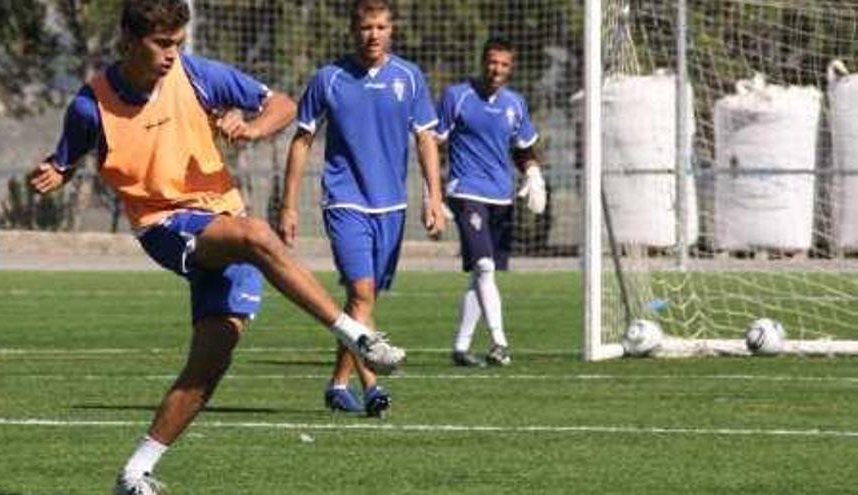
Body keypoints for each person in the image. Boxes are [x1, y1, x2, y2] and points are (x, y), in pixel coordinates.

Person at [27, 1, 404, 493]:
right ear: (129, 39)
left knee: (208, 366)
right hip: (165, 226)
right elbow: (68, 157)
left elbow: (283, 105)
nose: (171, 55)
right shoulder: (89, 104)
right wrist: (56, 172)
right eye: (162, 44)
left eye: (178, 44)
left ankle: (136, 471)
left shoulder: (196, 74)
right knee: (256, 235)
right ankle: (359, 338)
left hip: (223, 219)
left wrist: (251, 127)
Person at [278, 0, 445, 417]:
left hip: (391, 206)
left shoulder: (409, 78)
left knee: (362, 305)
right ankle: (373, 386)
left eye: (381, 26)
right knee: (361, 292)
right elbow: (302, 141)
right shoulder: (329, 79)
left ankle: (338, 384)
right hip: (344, 199)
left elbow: (426, 139)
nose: (374, 34)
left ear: (392, 30)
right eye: (366, 27)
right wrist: (289, 206)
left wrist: (434, 196)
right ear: (353, 31)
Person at [435, 37, 546, 367]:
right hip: (466, 191)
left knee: (482, 274)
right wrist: (433, 191)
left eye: (504, 64)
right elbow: (433, 142)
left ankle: (461, 347)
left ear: (510, 68)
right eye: (492, 62)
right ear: (482, 61)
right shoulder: (457, 97)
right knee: (484, 266)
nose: (496, 69)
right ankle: (500, 342)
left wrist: (534, 176)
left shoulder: (515, 103)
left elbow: (523, 148)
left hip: (501, 195)